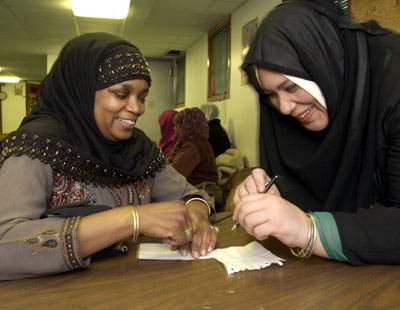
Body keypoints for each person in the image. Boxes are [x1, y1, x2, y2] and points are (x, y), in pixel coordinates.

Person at [0, 33, 218, 280]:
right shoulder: (36, 147)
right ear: (81, 90)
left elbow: (189, 194)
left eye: (142, 97)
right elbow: (5, 241)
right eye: (121, 94)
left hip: (132, 287)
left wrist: (197, 213)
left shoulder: (139, 148)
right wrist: (131, 220)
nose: (138, 108)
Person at [233, 0, 400, 265]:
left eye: (289, 87)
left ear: (322, 62)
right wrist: (275, 197)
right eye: (271, 95)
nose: (284, 108)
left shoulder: (393, 81)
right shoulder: (311, 108)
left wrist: (307, 229)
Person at [168, 108, 218, 187]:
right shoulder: (201, 141)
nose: (174, 129)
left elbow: (173, 174)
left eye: (176, 126)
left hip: (198, 190)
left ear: (185, 127)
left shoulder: (192, 146)